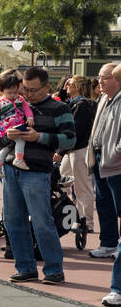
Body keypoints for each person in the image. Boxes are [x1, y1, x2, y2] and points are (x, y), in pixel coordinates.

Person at [2, 67, 73, 284]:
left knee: (42, 222)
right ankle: (25, 267)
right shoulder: (13, 105)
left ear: (47, 87)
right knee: (13, 221)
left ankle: (53, 270)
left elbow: (70, 140)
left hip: (37, 171)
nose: (29, 95)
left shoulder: (59, 108)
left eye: (34, 90)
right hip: (10, 167)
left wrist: (39, 137)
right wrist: (7, 135)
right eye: (26, 89)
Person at [88, 64, 121, 267]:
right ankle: (108, 243)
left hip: (115, 163)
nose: (100, 81)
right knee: (103, 203)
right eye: (99, 77)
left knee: (119, 207)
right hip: (99, 159)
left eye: (106, 78)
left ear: (118, 79)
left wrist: (116, 153)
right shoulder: (102, 99)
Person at [57, 75, 96, 239]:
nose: (67, 85)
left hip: (79, 150)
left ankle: (86, 221)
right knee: (61, 180)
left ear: (78, 87)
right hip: (73, 150)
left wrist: (60, 151)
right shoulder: (76, 103)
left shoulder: (83, 105)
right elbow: (60, 101)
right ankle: (66, 215)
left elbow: (75, 132)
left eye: (70, 83)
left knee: (82, 186)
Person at [0, 70, 34, 176]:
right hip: (6, 128)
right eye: (9, 93)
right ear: (2, 90)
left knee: (9, 146)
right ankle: (18, 159)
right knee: (20, 140)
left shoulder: (20, 99)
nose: (13, 95)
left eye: (15, 92)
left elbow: (27, 109)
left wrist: (30, 117)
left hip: (17, 126)